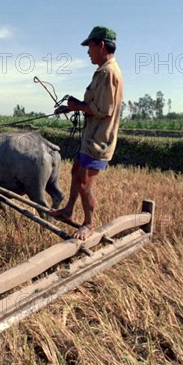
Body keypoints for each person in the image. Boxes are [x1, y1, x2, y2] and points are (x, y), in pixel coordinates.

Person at [50, 26, 124, 240]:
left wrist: (77, 107)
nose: (87, 51)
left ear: (101, 45)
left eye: (89, 46)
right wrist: (71, 107)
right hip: (91, 136)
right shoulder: (102, 71)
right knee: (75, 172)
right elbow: (93, 104)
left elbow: (103, 110)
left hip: (99, 140)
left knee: (84, 183)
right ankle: (68, 209)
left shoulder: (109, 72)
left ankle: (89, 224)